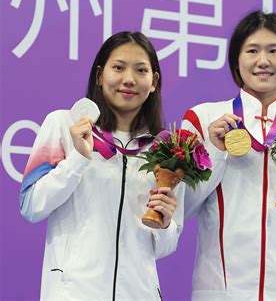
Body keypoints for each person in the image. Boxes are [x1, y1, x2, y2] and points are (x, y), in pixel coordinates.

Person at [19, 31, 183, 301]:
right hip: (74, 292)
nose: (128, 79)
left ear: (153, 82)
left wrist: (166, 226)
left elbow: (164, 247)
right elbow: (31, 205)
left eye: (140, 70)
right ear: (99, 75)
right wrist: (78, 160)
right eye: (118, 68)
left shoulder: (165, 150)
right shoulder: (65, 125)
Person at [181, 11, 276, 300]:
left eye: (274, 51)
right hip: (220, 290)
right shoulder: (202, 119)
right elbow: (183, 207)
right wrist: (215, 152)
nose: (263, 61)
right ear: (237, 60)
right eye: (252, 50)